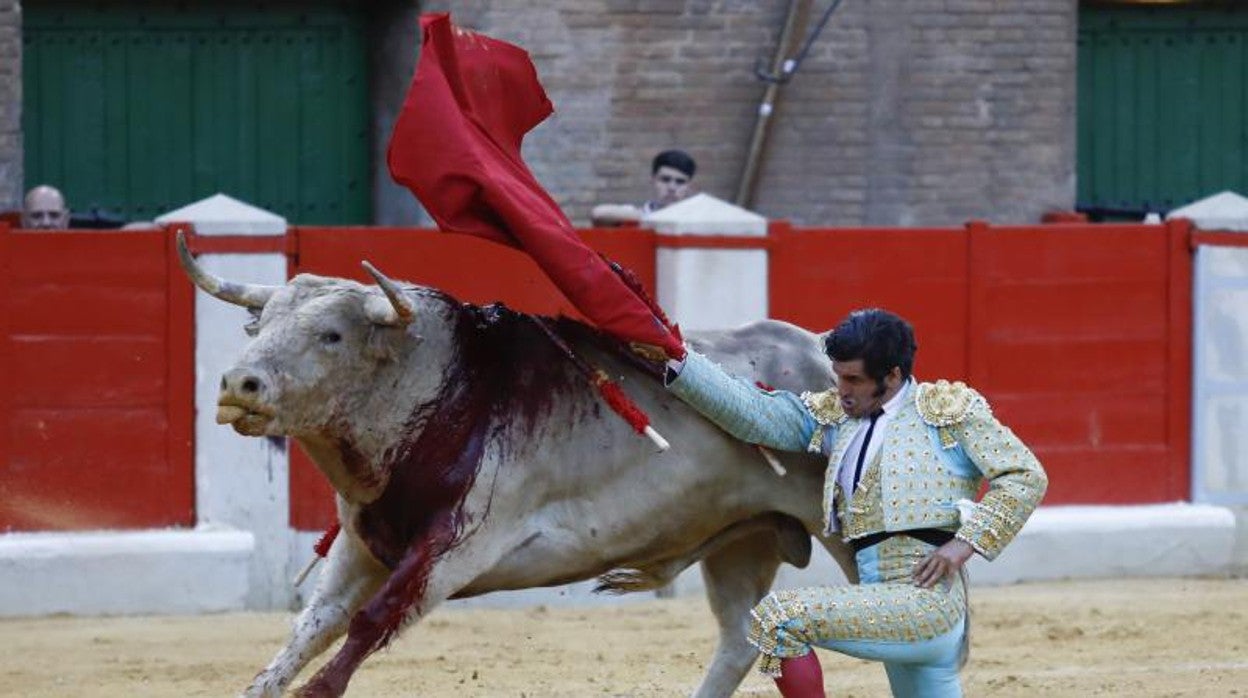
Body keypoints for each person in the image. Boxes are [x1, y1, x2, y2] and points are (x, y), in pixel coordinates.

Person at [664, 308, 1047, 697]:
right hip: (883, 606)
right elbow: (756, 414)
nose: (842, 389)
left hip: (926, 606)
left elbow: (1024, 475)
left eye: (854, 380)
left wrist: (964, 545)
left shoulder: (946, 413)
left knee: (778, 619)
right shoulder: (837, 420)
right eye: (838, 376)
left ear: (893, 375)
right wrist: (679, 361)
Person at [590, 149, 697, 226]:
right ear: (653, 180)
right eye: (665, 179)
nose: (672, 187)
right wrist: (652, 217)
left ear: (689, 186)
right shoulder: (632, 214)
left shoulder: (696, 220)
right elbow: (598, 213)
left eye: (680, 182)